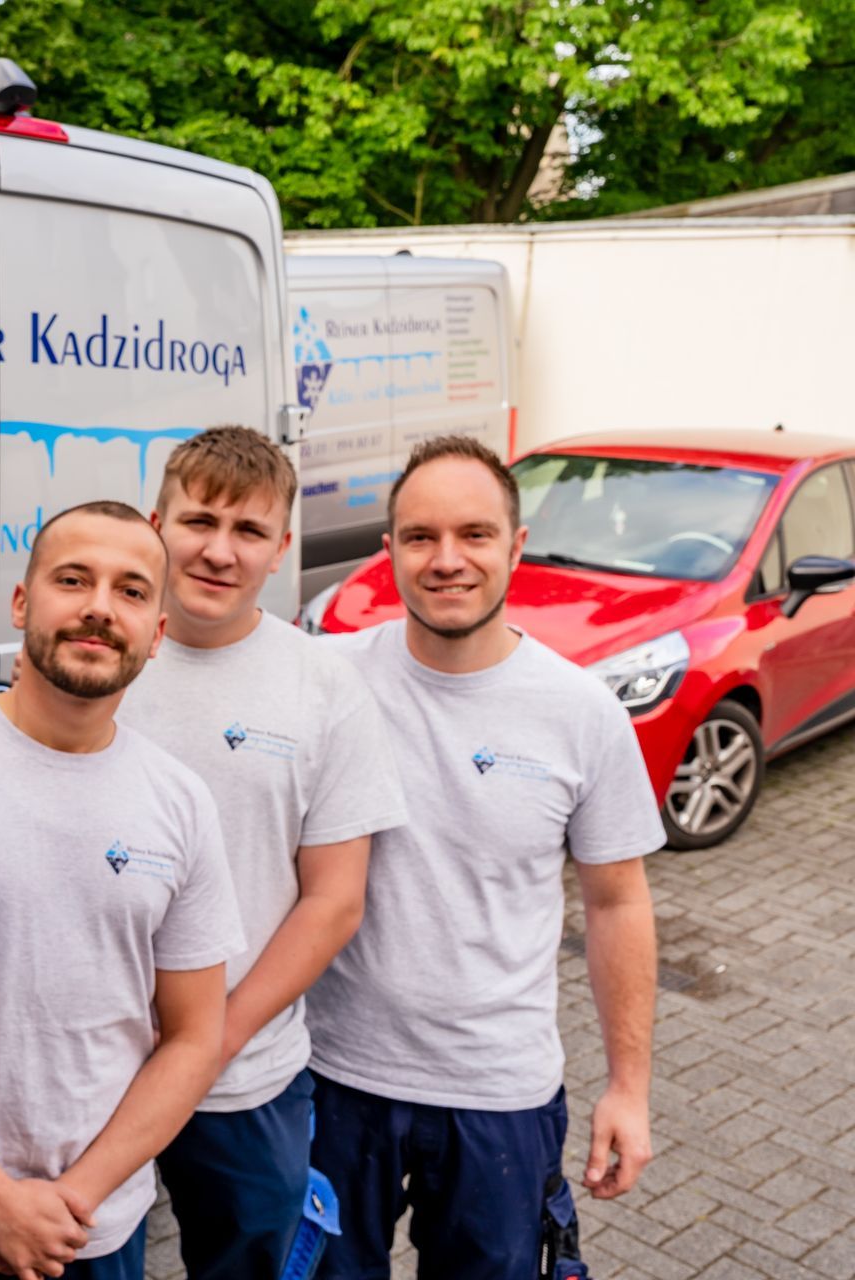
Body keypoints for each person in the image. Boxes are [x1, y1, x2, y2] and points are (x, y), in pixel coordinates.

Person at [0, 500, 246, 1280]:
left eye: (132, 591)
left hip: (88, 1233)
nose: (100, 607)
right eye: (73, 579)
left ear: (157, 633)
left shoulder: (180, 803)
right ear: (22, 601)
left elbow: (195, 1038)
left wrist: (69, 1202)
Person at [308, 434, 662, 1278]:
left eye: (474, 534)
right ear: (388, 550)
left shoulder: (582, 712)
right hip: (333, 1077)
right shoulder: (324, 679)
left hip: (498, 1094)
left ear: (516, 545)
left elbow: (618, 903)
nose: (447, 560)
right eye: (420, 536)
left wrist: (629, 1088)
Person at [116, 427, 406, 1279]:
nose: (219, 550)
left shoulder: (324, 686)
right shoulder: (99, 657)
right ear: (156, 524)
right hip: (89, 1069)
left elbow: (334, 900)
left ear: (281, 549)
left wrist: (209, 1041)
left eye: (249, 531)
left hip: (245, 1075)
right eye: (198, 521)